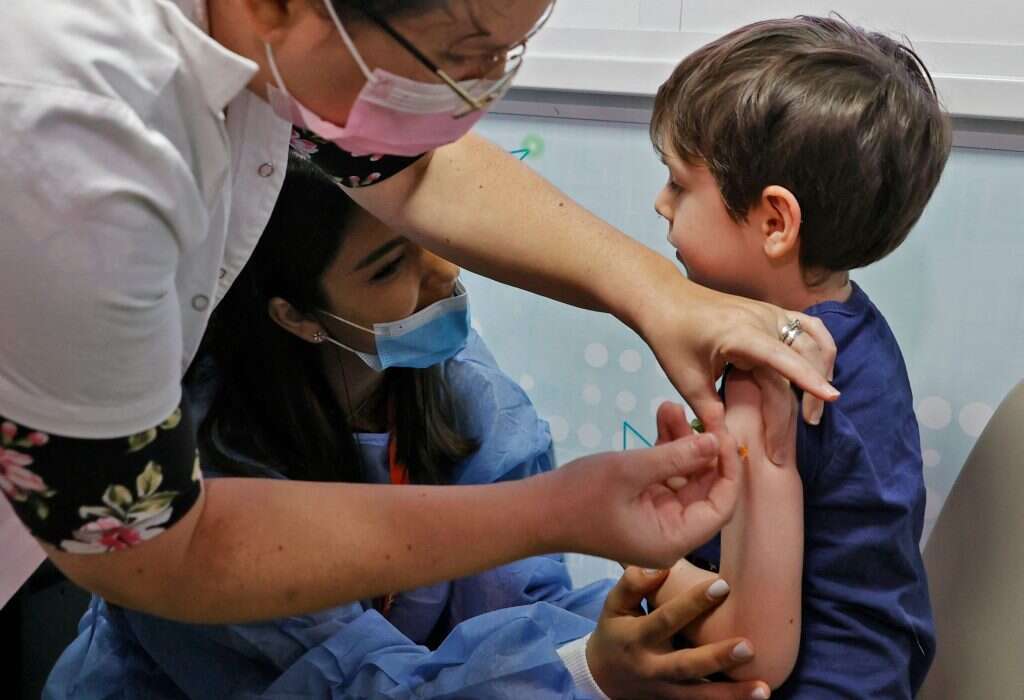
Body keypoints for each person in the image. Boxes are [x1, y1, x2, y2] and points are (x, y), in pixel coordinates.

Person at [0, 0, 837, 632]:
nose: (472, 96)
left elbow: (407, 169)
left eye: (504, 55)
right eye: (455, 58)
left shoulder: (266, 42)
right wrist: (563, 513)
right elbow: (158, 550)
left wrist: (662, 295)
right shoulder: (76, 134)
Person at [44, 155, 776, 699]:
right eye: (391, 262)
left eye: (432, 235)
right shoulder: (204, 467)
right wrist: (589, 672)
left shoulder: (450, 380)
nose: (444, 274)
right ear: (292, 314)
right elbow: (350, 685)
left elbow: (522, 604)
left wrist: (649, 610)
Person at [643, 16, 951, 697]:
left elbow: (751, 651)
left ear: (775, 222)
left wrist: (647, 562)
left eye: (678, 183)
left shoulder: (767, 376)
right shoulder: (855, 328)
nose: (660, 205)